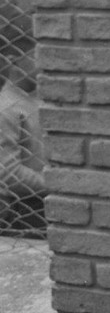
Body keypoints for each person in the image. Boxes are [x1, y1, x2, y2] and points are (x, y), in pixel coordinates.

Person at [0, 45, 45, 234]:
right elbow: (8, 175)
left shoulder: (41, 99)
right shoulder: (6, 108)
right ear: (13, 60)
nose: (46, 62)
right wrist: (59, 184)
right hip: (25, 209)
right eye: (38, 55)